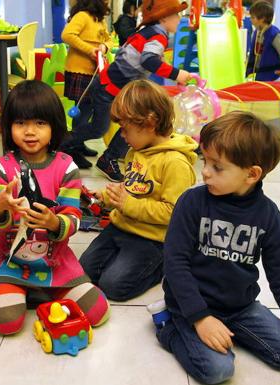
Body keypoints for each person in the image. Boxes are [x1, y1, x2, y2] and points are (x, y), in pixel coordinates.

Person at [153, 111, 280, 384]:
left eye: (217, 167)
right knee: (218, 370)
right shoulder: (192, 203)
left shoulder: (269, 216)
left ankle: (226, 330)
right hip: (189, 305)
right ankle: (168, 329)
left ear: (252, 174)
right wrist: (200, 318)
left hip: (240, 307)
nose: (205, 171)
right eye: (205, 160)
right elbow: (174, 264)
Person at [0, 80, 110, 335]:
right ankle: (21, 288)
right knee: (7, 323)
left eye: (40, 123)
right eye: (21, 123)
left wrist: (54, 223)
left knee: (98, 312)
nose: (30, 132)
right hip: (11, 263)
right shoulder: (0, 167)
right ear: (9, 127)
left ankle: (41, 289)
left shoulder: (67, 167)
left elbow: (73, 217)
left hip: (56, 263)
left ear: (55, 126)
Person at [79, 79, 198, 301]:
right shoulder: (137, 151)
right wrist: (104, 198)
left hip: (152, 239)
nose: (122, 136)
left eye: (125, 129)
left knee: (113, 286)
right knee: (83, 271)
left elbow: (174, 213)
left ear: (150, 124)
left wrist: (128, 204)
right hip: (121, 226)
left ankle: (163, 264)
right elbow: (131, 187)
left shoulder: (175, 163)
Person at [60, 0, 192, 182]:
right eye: (176, 15)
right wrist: (177, 74)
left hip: (110, 84)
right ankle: (61, 143)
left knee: (132, 122)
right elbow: (149, 61)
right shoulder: (158, 36)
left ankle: (105, 156)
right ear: (164, 18)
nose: (179, 19)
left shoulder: (150, 32)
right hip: (108, 88)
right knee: (102, 128)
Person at [61, 0, 113, 167]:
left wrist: (104, 46)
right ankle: (72, 148)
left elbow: (110, 39)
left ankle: (78, 143)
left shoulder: (100, 20)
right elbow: (67, 35)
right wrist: (89, 49)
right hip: (80, 72)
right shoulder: (82, 16)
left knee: (87, 108)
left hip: (94, 72)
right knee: (83, 110)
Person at [246, 0, 280, 81]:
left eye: (253, 17)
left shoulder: (273, 34)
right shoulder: (256, 32)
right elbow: (253, 53)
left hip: (269, 73)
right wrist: (249, 71)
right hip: (258, 72)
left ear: (262, 19)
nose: (250, 19)